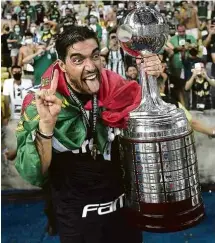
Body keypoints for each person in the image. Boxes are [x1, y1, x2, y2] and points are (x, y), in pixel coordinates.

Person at [15, 25, 161, 243]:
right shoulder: (40, 102)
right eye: (77, 59)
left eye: (94, 56)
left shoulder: (116, 86)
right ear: (62, 65)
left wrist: (151, 80)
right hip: (77, 218)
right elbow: (34, 172)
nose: (91, 66)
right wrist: (46, 125)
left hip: (123, 212)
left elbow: (151, 123)